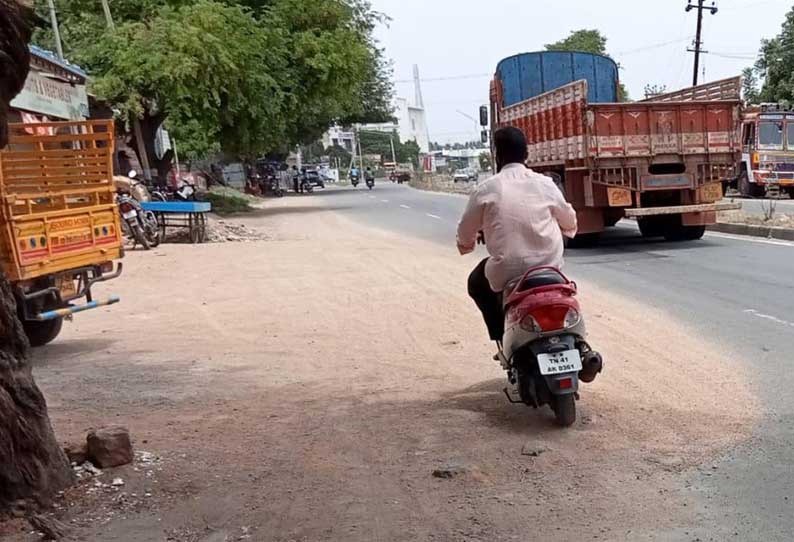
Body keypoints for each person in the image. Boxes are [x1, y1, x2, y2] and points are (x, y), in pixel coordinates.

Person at [456, 126, 577, 344]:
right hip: (549, 266)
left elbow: (465, 230)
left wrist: (466, 245)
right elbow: (569, 219)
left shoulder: (486, 189)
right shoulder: (545, 184)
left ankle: (500, 337)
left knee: (476, 282)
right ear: (527, 154)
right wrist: (567, 229)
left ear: (497, 155)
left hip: (507, 271)